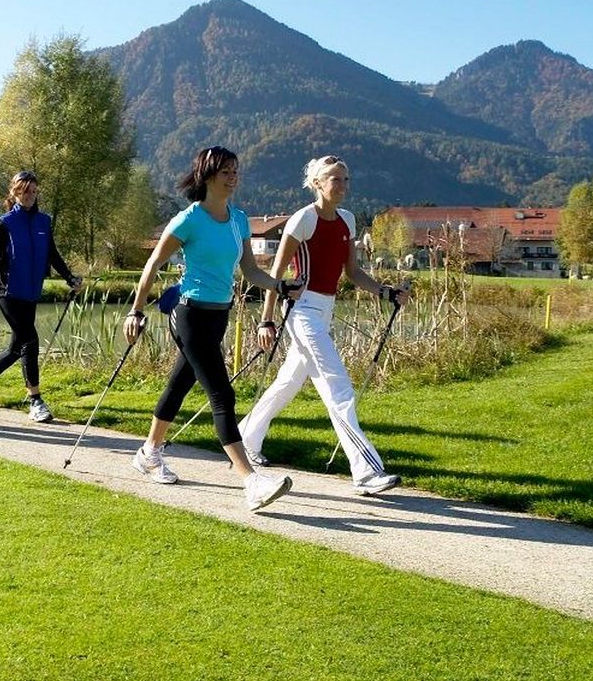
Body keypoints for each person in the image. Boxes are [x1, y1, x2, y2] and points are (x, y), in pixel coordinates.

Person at [123, 146, 301, 512]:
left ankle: (149, 453)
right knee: (222, 394)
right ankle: (250, 481)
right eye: (226, 172)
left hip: (220, 315)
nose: (233, 177)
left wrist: (279, 286)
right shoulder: (189, 219)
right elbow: (154, 264)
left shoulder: (239, 220)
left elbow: (249, 270)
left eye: (236, 170)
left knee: (179, 383)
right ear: (207, 176)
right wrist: (135, 311)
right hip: (189, 314)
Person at [239, 154, 408, 494]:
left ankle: (245, 439)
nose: (342, 186)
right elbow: (276, 275)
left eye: (345, 179)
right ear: (317, 183)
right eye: (334, 179)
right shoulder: (302, 220)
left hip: (325, 310)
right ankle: (366, 472)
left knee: (288, 383)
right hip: (301, 311)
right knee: (338, 387)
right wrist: (266, 320)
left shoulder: (347, 221)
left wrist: (385, 291)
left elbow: (353, 273)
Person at [0, 170, 82, 423]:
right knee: (30, 340)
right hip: (8, 291)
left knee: (17, 346)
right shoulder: (5, 223)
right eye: (24, 190)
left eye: (33, 191)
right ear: (14, 192)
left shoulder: (44, 222)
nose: (29, 195)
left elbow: (52, 254)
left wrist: (69, 277)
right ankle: (35, 400)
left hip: (31, 291)